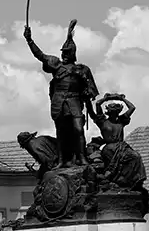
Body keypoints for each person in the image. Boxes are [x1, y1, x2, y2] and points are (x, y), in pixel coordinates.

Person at [24, 20, 100, 168]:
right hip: (59, 102)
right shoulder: (56, 65)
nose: (64, 55)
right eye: (63, 52)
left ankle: (82, 158)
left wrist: (87, 92)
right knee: (62, 132)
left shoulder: (82, 69)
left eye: (67, 53)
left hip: (74, 102)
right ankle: (61, 160)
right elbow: (40, 55)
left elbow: (91, 89)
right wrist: (29, 40)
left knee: (78, 129)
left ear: (73, 53)